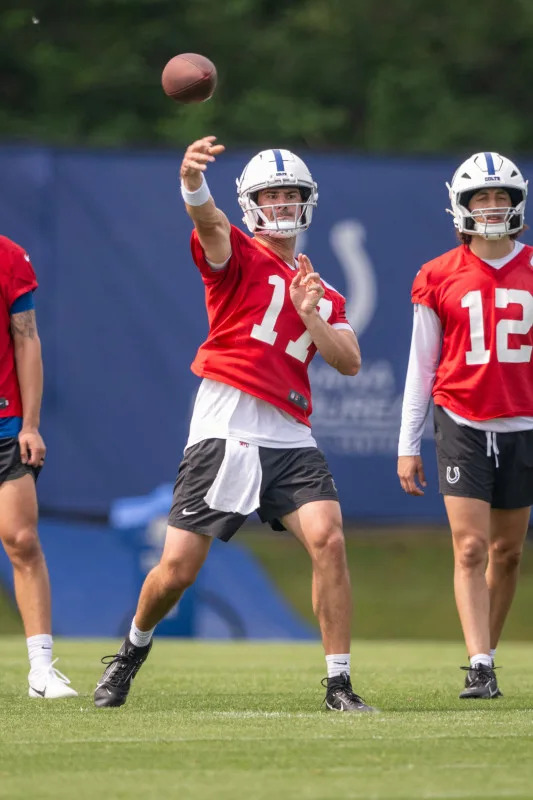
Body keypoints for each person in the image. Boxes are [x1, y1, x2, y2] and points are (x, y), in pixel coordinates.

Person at [94, 137, 375, 713]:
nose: (280, 205)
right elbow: (210, 222)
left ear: (307, 202)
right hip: (227, 425)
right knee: (176, 571)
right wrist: (192, 183)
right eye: (269, 196)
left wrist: (310, 313)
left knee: (329, 539)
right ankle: (130, 650)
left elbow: (347, 361)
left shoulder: (324, 292)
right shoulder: (237, 256)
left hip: (291, 433)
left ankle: (339, 685)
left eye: (290, 195)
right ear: (251, 203)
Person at [398, 151, 533, 699]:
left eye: (502, 197)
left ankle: (489, 655)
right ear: (462, 205)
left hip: (523, 423)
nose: (494, 207)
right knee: (471, 548)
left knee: (509, 553)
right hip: (461, 420)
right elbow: (421, 366)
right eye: (483, 197)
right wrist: (407, 443)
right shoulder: (436, 275)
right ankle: (480, 665)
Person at [0, 235, 77, 699]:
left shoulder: (8, 256)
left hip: (6, 423)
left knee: (22, 538)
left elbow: (26, 339)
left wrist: (30, 424)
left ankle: (41, 671)